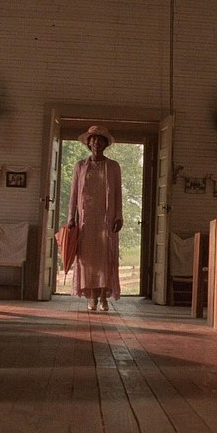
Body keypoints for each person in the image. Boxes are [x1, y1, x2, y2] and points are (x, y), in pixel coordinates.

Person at [67, 125, 124, 312]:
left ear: (105, 144)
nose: (96, 143)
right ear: (89, 143)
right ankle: (91, 296)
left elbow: (117, 193)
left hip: (106, 220)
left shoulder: (113, 166)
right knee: (88, 260)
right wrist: (71, 217)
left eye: (100, 140)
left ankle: (103, 297)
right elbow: (74, 194)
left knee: (105, 258)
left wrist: (119, 216)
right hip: (86, 220)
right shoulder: (80, 166)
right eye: (93, 139)